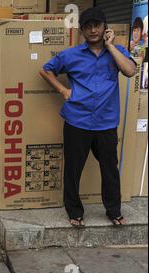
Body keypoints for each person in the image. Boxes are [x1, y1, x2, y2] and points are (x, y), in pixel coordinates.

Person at [39, 7, 137, 227]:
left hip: (106, 122)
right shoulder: (70, 55)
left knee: (110, 170)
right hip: (77, 121)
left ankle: (114, 211)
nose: (93, 30)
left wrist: (110, 46)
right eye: (88, 26)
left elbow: (130, 71)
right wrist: (63, 91)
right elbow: (45, 70)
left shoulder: (118, 51)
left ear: (105, 27)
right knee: (73, 169)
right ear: (82, 30)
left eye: (97, 25)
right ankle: (74, 211)